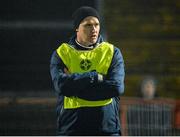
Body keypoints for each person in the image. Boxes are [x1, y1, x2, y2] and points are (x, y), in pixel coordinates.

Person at [50, 6, 125, 136]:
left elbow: (116, 87)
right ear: (77, 28)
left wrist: (76, 89)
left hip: (106, 129)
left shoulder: (112, 52)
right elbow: (62, 86)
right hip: (72, 129)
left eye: (97, 24)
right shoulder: (62, 53)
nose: (94, 29)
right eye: (88, 25)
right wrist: (95, 77)